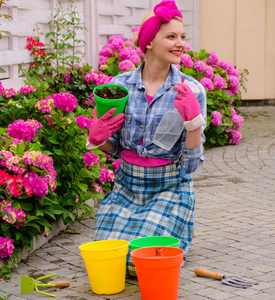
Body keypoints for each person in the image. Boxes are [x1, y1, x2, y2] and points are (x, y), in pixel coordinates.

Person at [87, 0, 207, 277]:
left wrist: (193, 124)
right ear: (149, 42)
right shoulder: (118, 87)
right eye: (171, 36)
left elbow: (190, 167)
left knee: (137, 263)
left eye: (182, 37)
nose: (180, 44)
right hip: (126, 187)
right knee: (110, 259)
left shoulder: (191, 91)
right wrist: (97, 138)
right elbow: (114, 148)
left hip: (170, 188)